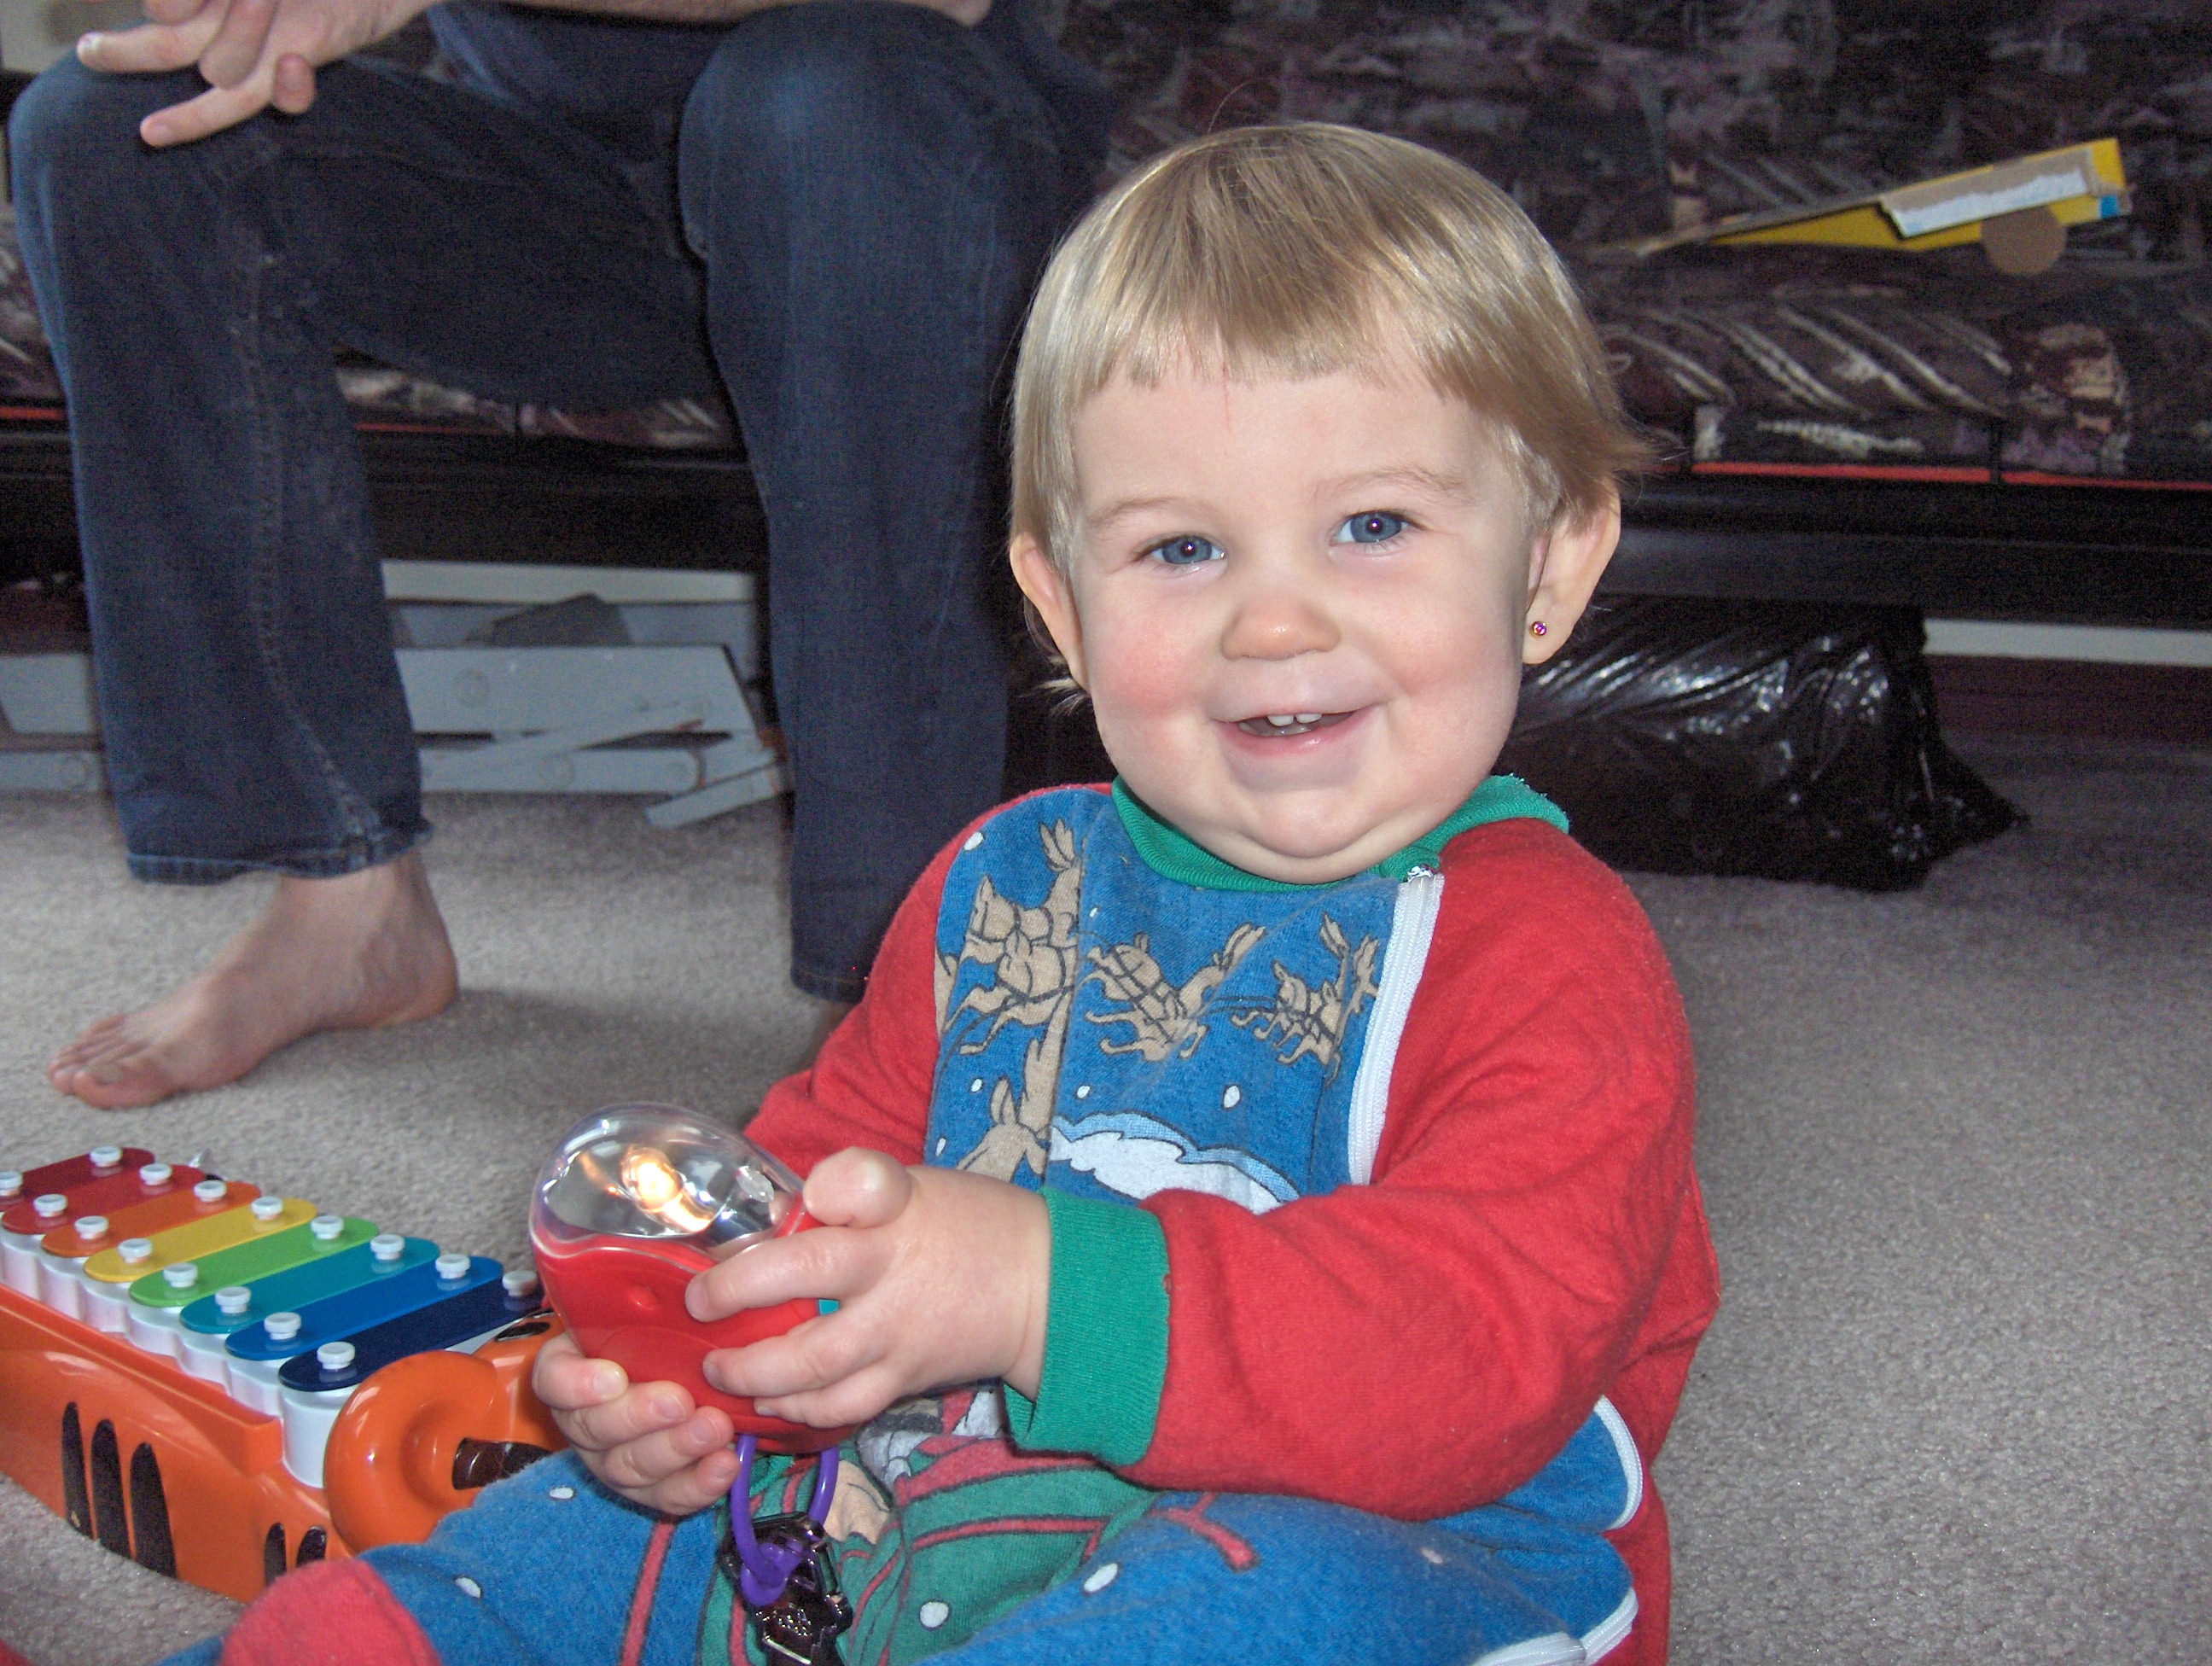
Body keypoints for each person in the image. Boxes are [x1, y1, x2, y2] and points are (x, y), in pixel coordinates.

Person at [160, 125, 1720, 1666]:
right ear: (1061, 604)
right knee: (553, 1546)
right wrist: (701, 1366)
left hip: (1416, 1542)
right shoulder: (1008, 884)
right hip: (934, 1494)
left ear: (1551, 565)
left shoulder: (1551, 954)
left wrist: (1036, 1290)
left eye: (1372, 527)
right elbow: (828, 1173)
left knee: (1272, 1606)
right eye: (1182, 548)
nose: (1274, 622)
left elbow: (1476, 1360)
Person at [9, 0, 1110, 1109]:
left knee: (830, 89)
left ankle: (900, 979)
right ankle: (346, 902)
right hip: (570, 204)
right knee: (115, 128)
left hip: (895, 188)